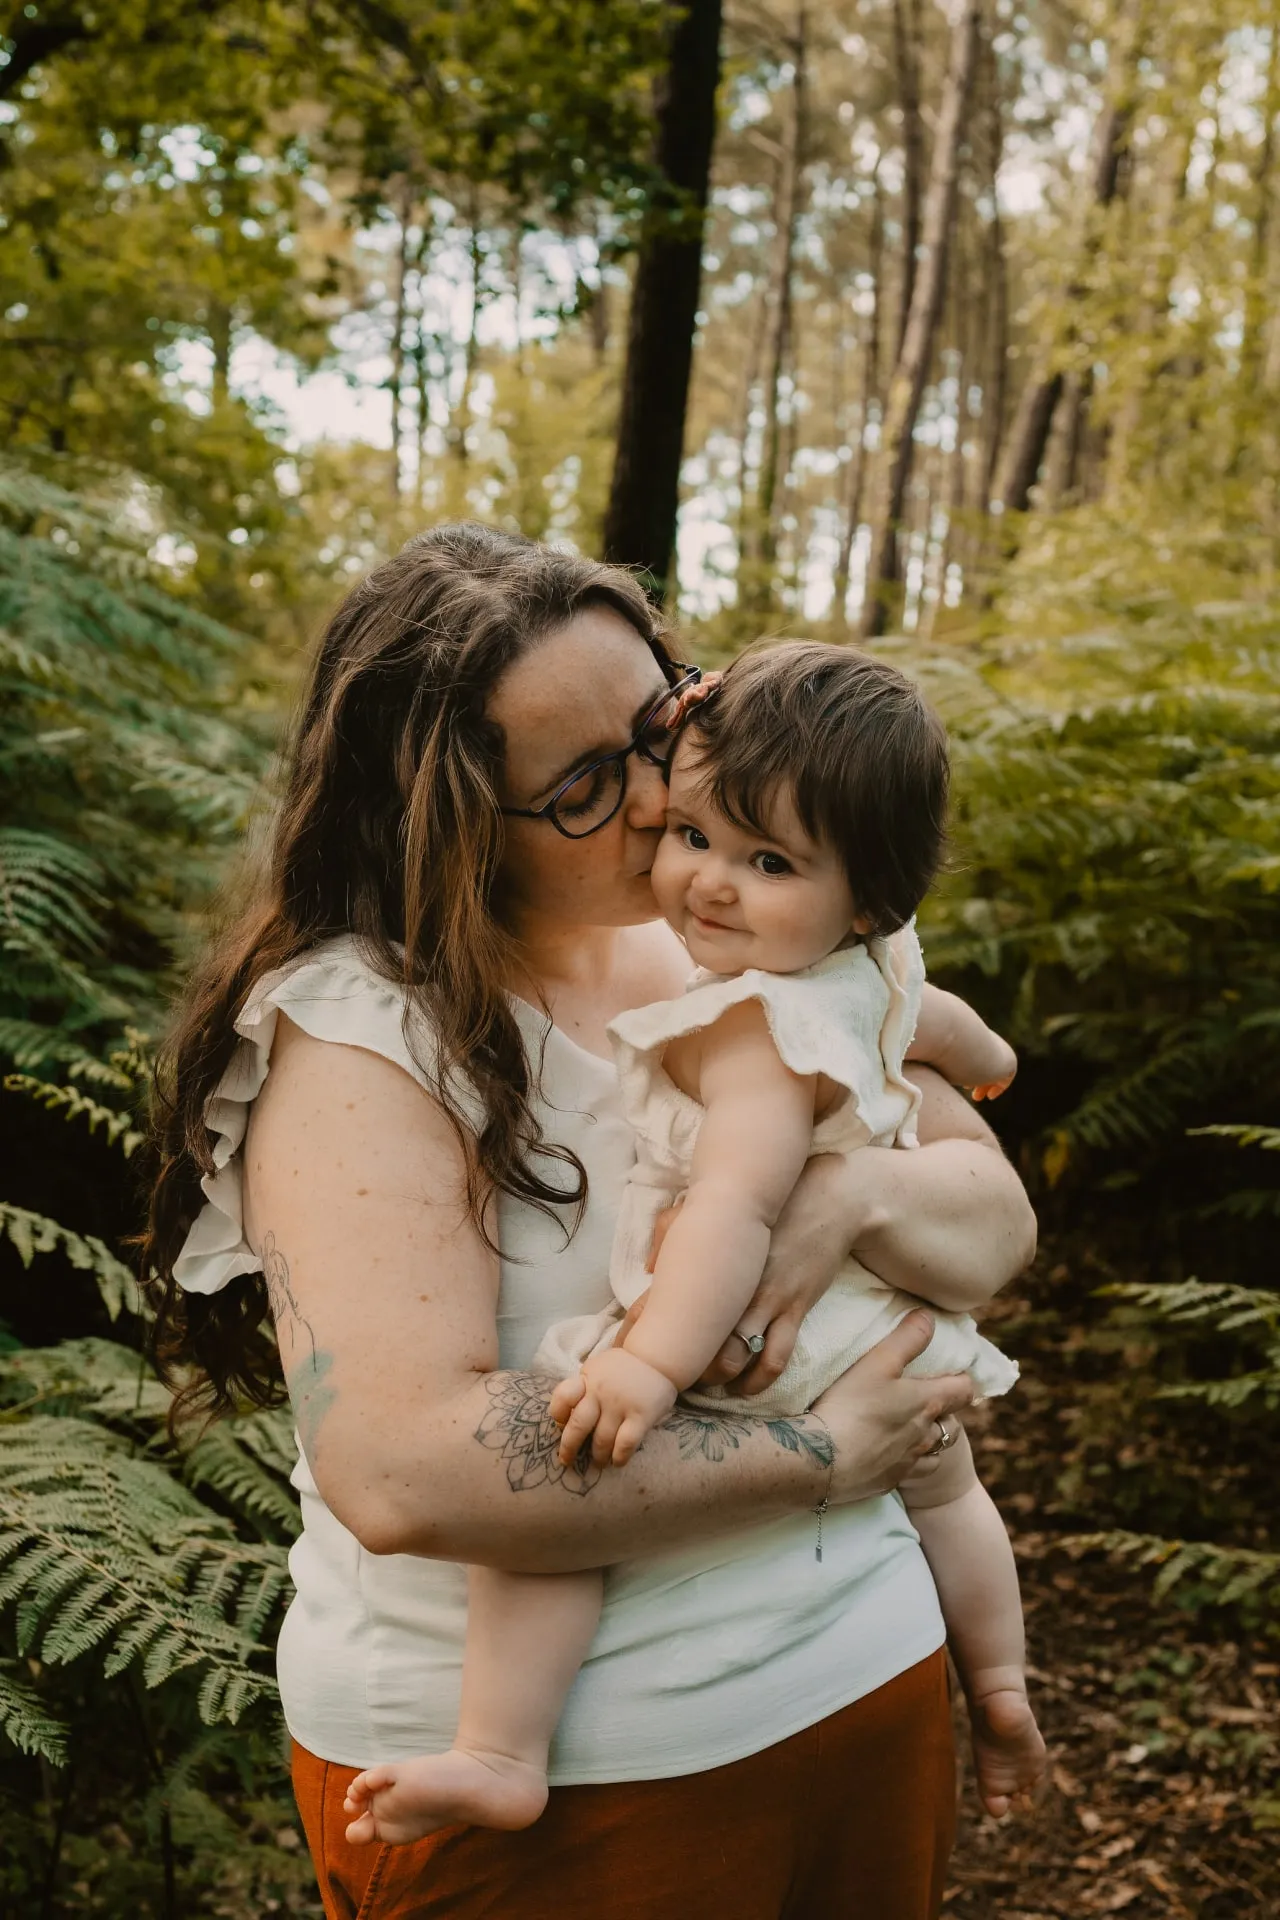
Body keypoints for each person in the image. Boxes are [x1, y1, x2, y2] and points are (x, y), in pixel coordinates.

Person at [145, 525, 1039, 1920]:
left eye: (657, 725)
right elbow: (400, 1472)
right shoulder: (364, 1038)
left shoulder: (731, 915)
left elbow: (993, 1226)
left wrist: (851, 1194)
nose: (650, 801)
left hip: (861, 1672)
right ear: (442, 817)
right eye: (580, 784)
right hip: (583, 1787)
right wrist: (821, 1452)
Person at [340, 641, 1045, 1854]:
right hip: (890, 1342)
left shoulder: (749, 1025)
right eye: (700, 837)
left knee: (562, 1495)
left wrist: (648, 1366)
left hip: (757, 1336)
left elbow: (731, 1208)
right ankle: (1001, 1688)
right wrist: (987, 1070)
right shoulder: (875, 963)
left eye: (767, 863)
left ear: (863, 894)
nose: (709, 885)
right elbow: (955, 1031)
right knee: (953, 1495)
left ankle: (501, 1750)